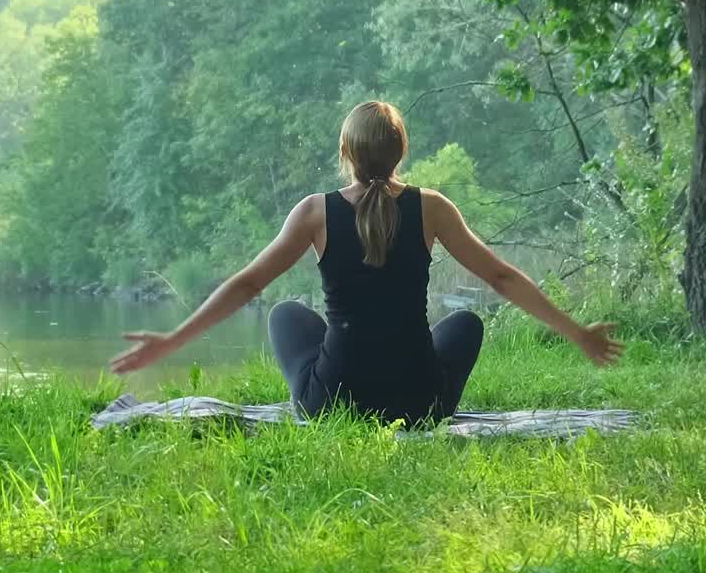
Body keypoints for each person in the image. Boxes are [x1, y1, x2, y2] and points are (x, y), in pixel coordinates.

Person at [111, 100, 623, 424]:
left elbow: (247, 284)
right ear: (400, 152)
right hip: (418, 405)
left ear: (345, 151)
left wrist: (172, 340)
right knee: (465, 322)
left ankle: (313, 400)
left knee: (284, 312)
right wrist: (576, 332)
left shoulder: (315, 212)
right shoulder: (431, 208)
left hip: (332, 402)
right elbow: (501, 276)